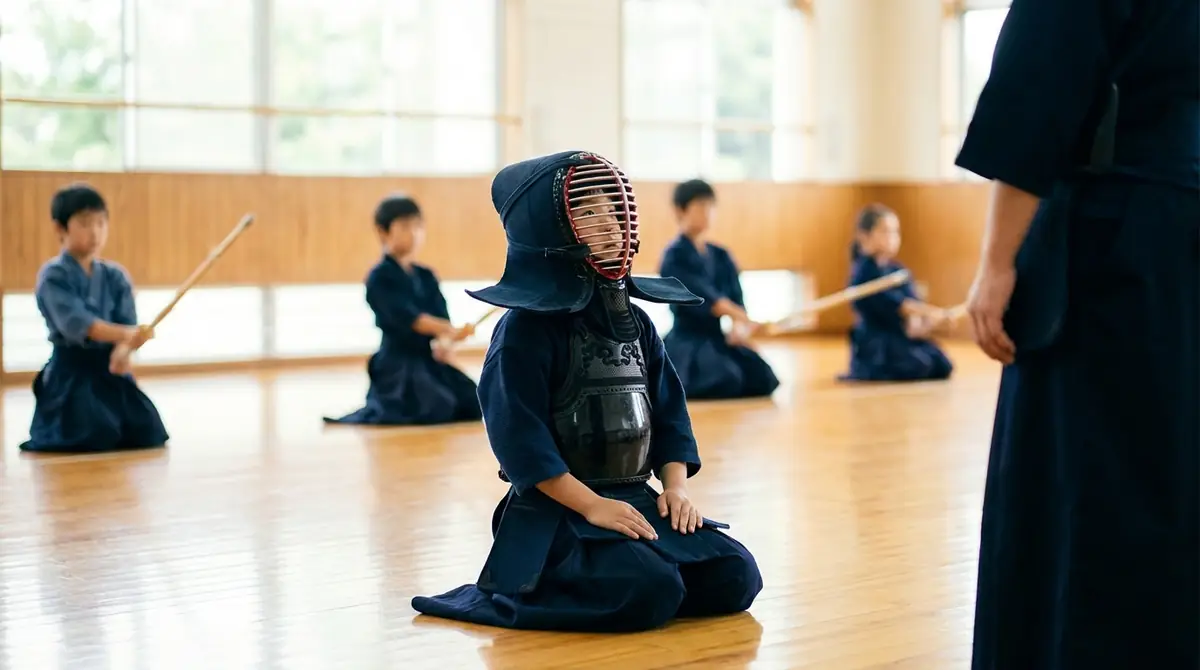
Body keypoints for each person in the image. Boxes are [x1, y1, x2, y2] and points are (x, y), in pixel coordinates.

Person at [410, 151, 763, 632]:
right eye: (590, 213)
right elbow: (521, 444)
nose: (611, 226)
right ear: (549, 232)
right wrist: (592, 505)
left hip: (634, 497)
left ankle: (654, 570)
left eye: (613, 211)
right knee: (651, 589)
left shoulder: (636, 321)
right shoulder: (522, 332)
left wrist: (676, 489)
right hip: (558, 512)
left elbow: (669, 415)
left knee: (736, 576)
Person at [957, 0, 1198, 667]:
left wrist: (996, 262)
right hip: (1181, 231)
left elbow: (1038, 87)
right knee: (1172, 475)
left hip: (1108, 240)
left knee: (1083, 480)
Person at [20, 183, 168, 453]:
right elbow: (82, 325)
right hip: (71, 373)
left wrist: (123, 351)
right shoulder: (54, 276)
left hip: (109, 370)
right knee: (96, 432)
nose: (95, 232)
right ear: (60, 228)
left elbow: (126, 324)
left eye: (101, 223)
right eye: (85, 223)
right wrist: (128, 335)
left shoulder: (115, 276)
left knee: (148, 430)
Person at [323, 195, 482, 426]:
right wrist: (448, 329)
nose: (414, 233)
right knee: (438, 406)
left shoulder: (426, 276)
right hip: (397, 364)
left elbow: (440, 320)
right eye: (405, 226)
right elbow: (412, 319)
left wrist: (447, 340)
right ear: (383, 231)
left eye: (418, 226)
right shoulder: (379, 277)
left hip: (427, 360)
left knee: (473, 401)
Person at [657, 179, 780, 399]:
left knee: (763, 378)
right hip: (687, 340)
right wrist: (742, 317)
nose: (706, 212)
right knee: (726, 379)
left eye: (710, 206)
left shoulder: (721, 255)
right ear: (680, 210)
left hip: (716, 337)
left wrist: (739, 329)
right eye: (699, 206)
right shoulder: (674, 256)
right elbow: (708, 300)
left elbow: (736, 299)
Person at [841, 204, 954, 382]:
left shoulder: (898, 271)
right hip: (877, 341)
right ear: (865, 235)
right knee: (919, 365)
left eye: (895, 232)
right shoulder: (863, 272)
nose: (892, 237)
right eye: (885, 231)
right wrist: (934, 312)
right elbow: (898, 304)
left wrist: (922, 322)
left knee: (942, 364)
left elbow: (913, 302)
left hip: (901, 335)